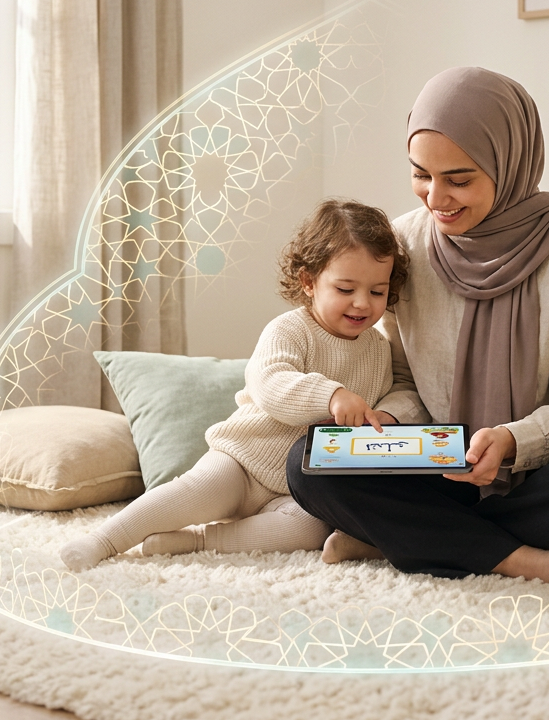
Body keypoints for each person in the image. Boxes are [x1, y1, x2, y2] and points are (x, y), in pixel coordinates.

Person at [286, 67, 549, 593]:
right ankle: (532, 560)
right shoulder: (403, 243)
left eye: (459, 179)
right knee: (310, 460)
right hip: (437, 467)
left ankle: (401, 538)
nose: (435, 197)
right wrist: (388, 424)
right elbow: (401, 376)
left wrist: (514, 441)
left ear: (509, 163)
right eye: (421, 174)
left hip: (539, 474)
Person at [60, 198, 408, 572]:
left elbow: (401, 389)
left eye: (376, 292)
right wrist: (331, 395)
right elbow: (270, 382)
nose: (361, 303)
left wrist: (392, 414)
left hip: (300, 488)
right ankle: (103, 540)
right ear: (309, 282)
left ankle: (198, 541)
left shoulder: (378, 348)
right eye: (345, 289)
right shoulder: (290, 330)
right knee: (188, 494)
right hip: (242, 462)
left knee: (310, 529)